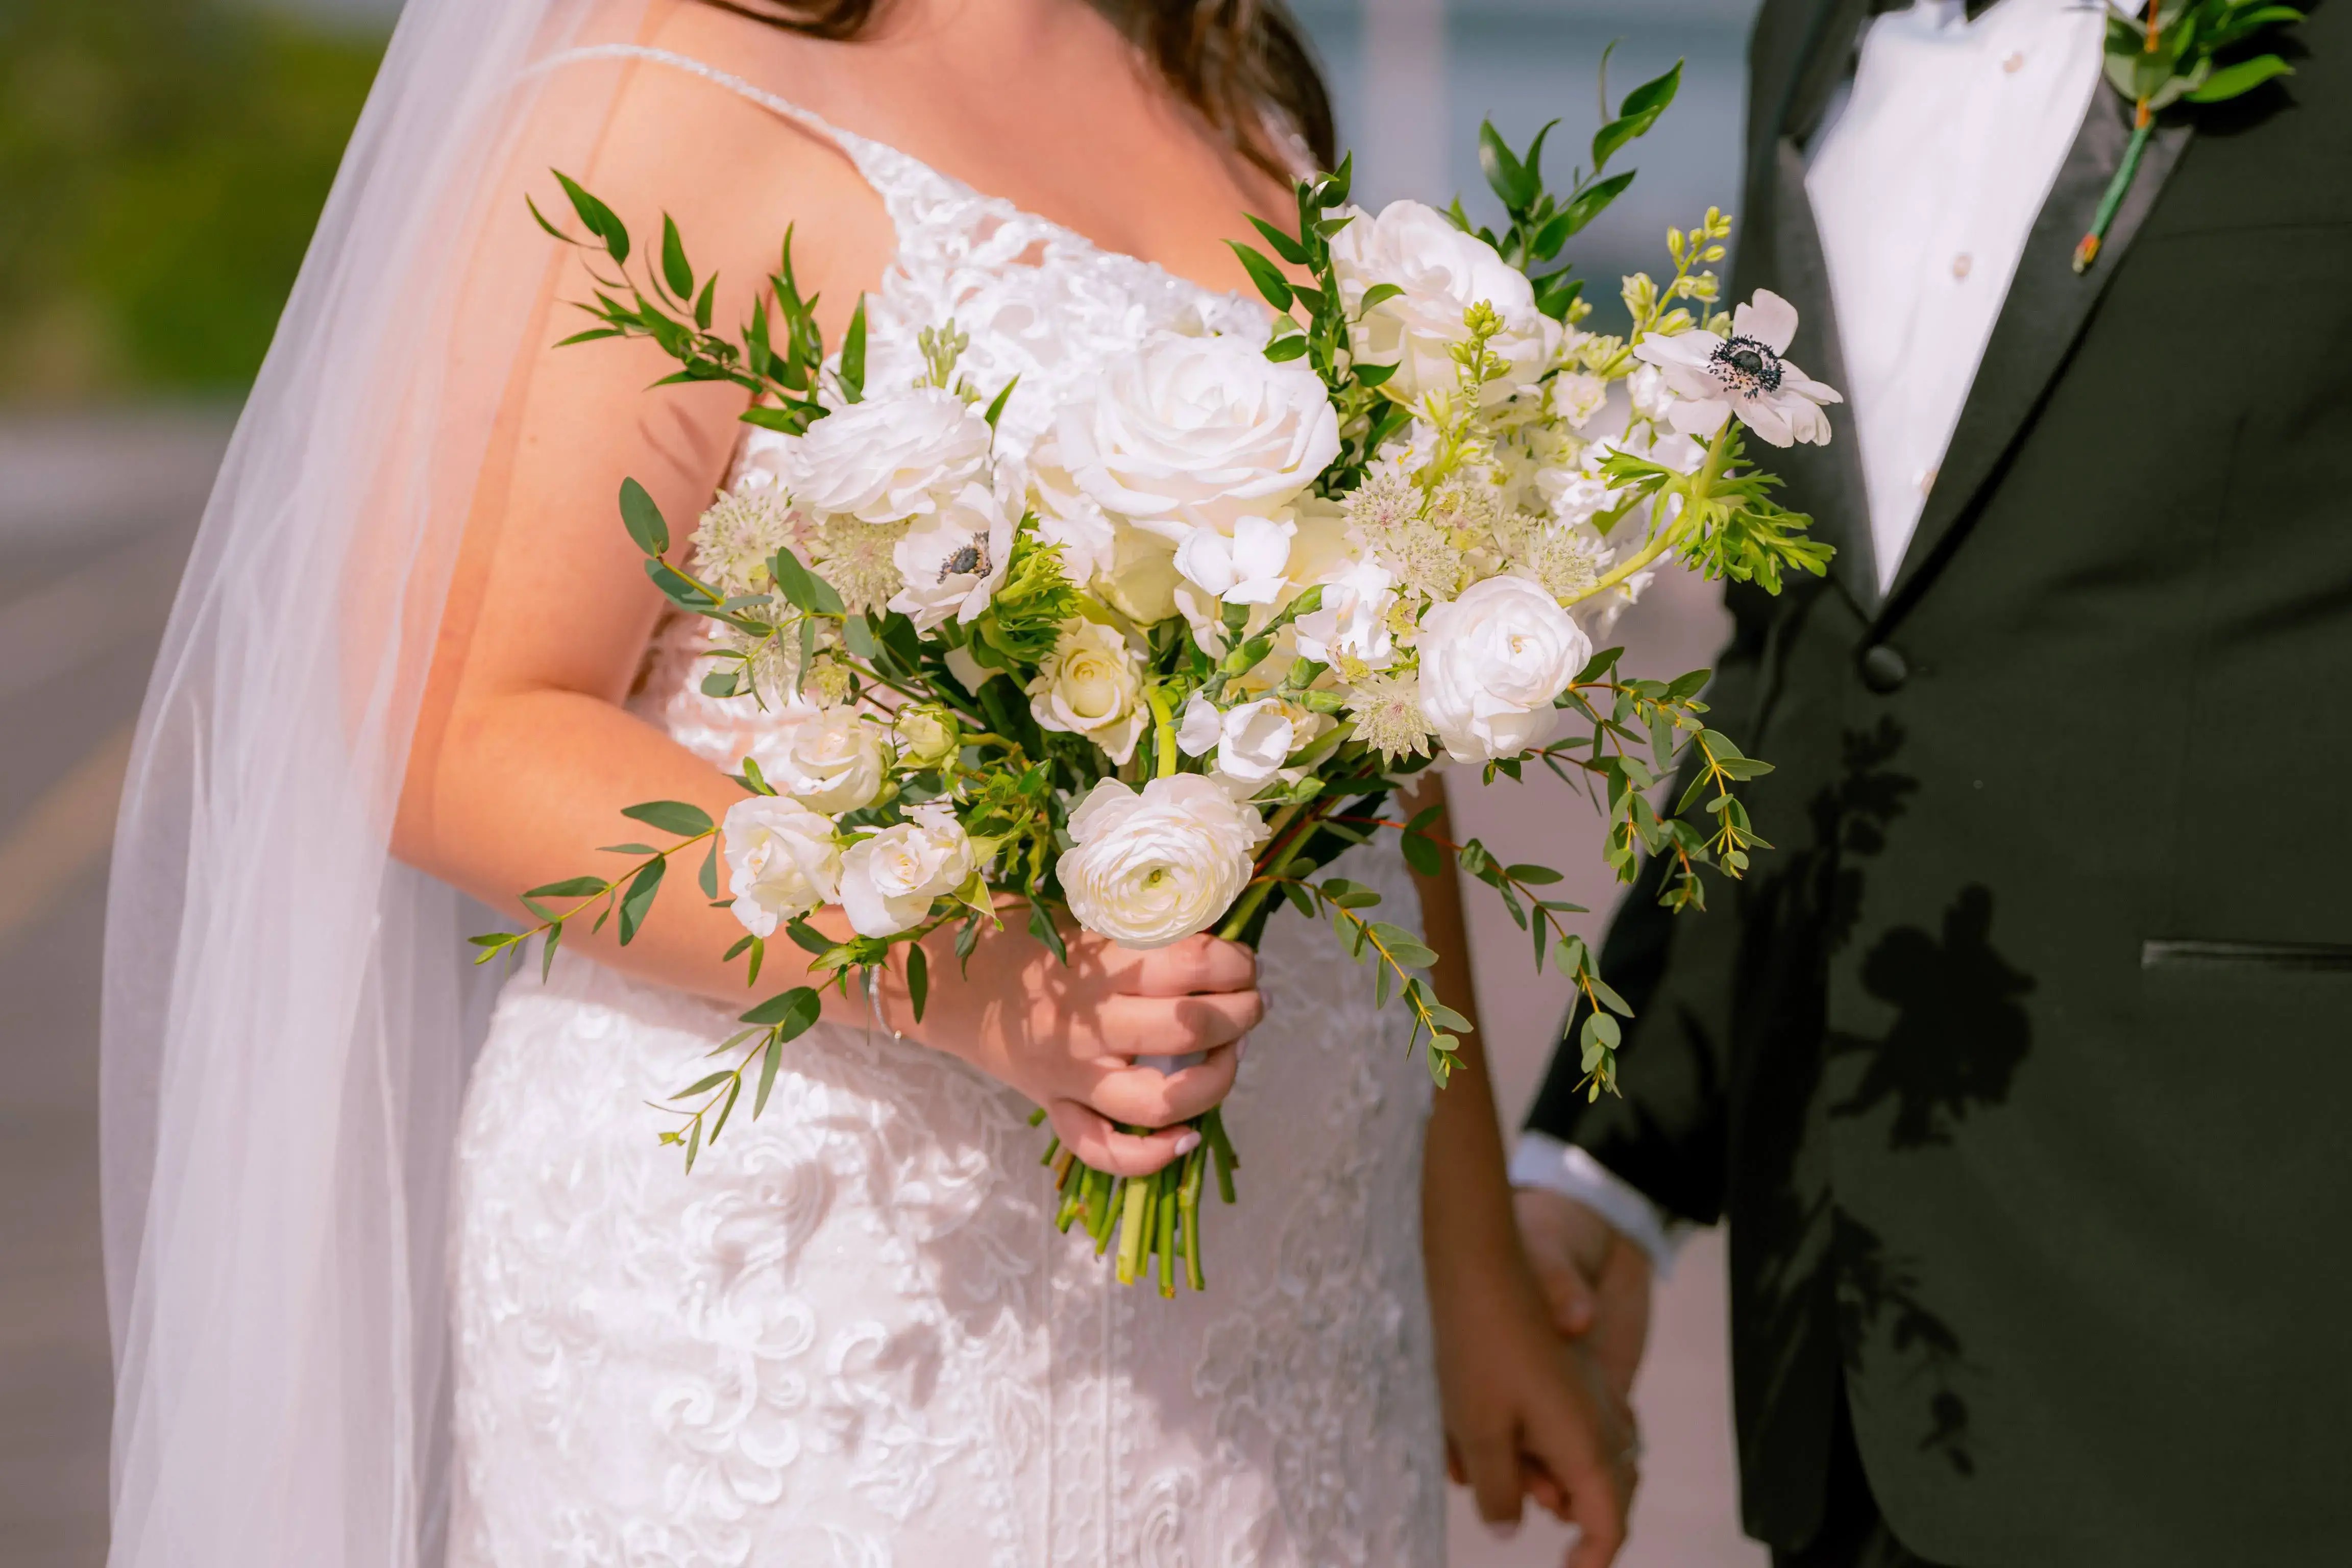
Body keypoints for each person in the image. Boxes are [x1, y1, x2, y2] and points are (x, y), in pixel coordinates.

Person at [99, 1, 1631, 1563]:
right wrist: (978, 980)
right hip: (828, 1319)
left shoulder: (1233, 94)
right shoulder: (666, 100)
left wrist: (1473, 1263)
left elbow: (1374, 743)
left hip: (1285, 1337)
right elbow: (460, 729)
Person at [1508, 1, 2352, 1565]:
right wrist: (1605, 1168)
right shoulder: (1811, 34)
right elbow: (1818, 664)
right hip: (1851, 1358)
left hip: (2266, 1331)